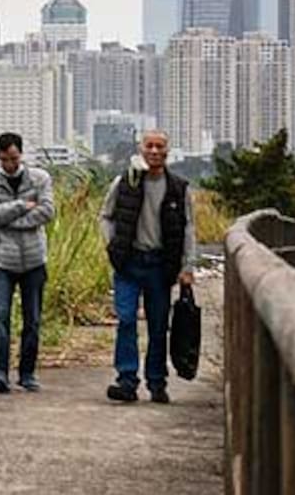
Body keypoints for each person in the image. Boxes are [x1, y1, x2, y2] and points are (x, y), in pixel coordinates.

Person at [98, 129, 195, 404]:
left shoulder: (179, 187)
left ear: (167, 151)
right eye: (149, 146)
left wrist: (187, 266)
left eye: (159, 147)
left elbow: (188, 229)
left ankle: (156, 382)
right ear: (141, 149)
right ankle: (127, 380)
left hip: (160, 265)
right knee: (126, 319)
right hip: (128, 263)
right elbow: (106, 216)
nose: (154, 151)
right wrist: (112, 245)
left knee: (158, 326)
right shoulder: (125, 182)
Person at [0, 132, 55, 394]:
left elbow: (47, 211)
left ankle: (27, 373)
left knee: (32, 320)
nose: (9, 165)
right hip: (3, 260)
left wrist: (10, 219)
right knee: (1, 317)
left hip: (34, 260)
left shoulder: (40, 178)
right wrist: (21, 206)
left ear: (21, 154)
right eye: (4, 160)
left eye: (13, 158)